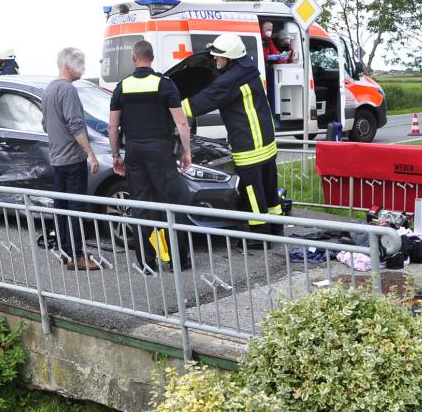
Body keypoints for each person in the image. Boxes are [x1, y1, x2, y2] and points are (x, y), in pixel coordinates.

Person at [180, 33, 284, 240]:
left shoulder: (229, 80)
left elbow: (199, 104)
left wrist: (172, 105)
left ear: (230, 57)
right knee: (270, 189)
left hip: (249, 144)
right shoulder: (248, 68)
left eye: (218, 56)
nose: (215, 60)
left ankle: (260, 236)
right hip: (265, 140)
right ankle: (277, 229)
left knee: (254, 193)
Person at [109, 40, 192, 273]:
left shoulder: (122, 87)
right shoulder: (165, 85)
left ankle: (146, 262)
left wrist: (116, 155)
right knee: (171, 204)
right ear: (152, 58)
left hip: (134, 151)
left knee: (141, 205)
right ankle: (177, 261)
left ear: (134, 58)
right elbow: (181, 122)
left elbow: (112, 127)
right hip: (161, 151)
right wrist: (186, 151)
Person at [41, 48, 100, 271]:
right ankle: (78, 257)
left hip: (57, 159)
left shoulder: (49, 89)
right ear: (69, 65)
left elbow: (45, 124)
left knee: (62, 208)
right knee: (75, 209)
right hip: (73, 160)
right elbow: (75, 124)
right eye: (80, 65)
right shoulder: (68, 90)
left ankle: (66, 253)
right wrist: (90, 153)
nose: (83, 70)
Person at [260, 21, 289, 121]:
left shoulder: (269, 40)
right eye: (268, 29)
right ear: (263, 29)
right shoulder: (260, 39)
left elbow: (274, 52)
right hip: (261, 68)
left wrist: (283, 56)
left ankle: (272, 115)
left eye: (271, 30)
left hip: (267, 68)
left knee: (270, 92)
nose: (270, 32)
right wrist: (275, 56)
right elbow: (263, 56)